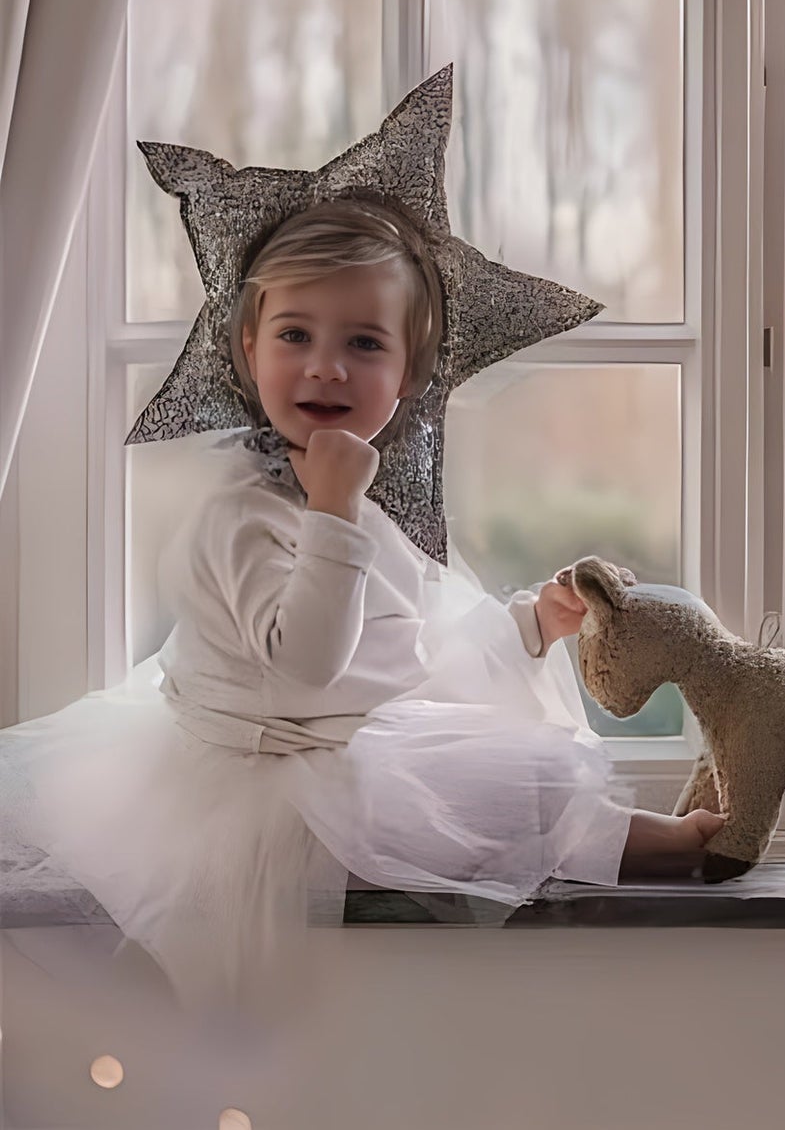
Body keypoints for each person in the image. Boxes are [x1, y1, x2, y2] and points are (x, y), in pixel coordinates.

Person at [5, 198, 722, 1007]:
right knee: (513, 794)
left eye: (364, 343)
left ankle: (646, 841)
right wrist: (333, 510)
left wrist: (528, 622)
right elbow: (307, 665)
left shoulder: (354, 500)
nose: (326, 366)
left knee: (524, 776)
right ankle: (653, 846)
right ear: (249, 346)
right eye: (294, 335)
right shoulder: (241, 514)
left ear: (408, 373)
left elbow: (416, 634)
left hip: (348, 746)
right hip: (267, 781)